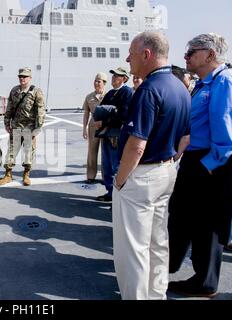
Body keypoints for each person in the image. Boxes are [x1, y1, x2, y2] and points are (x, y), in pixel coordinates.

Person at [112, 31, 191, 300]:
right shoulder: (180, 86)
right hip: (167, 171)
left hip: (141, 176)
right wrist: (170, 162)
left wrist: (120, 180)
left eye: (132, 54)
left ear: (146, 54)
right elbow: (186, 137)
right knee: (158, 242)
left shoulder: (148, 89)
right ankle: (156, 294)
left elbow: (136, 145)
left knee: (132, 248)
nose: (128, 59)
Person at [167, 33, 232, 298]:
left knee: (207, 225)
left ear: (210, 54)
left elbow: (225, 133)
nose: (186, 57)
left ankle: (205, 282)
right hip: (197, 159)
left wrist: (207, 166)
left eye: (191, 52)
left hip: (211, 163)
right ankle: (171, 264)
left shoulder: (223, 82)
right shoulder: (204, 83)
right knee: (183, 216)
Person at [0, 67, 45, 186]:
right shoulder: (14, 90)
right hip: (16, 127)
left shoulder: (36, 91)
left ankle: (26, 175)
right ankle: (8, 175)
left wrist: (38, 127)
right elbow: (9, 108)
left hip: (30, 128)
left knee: (29, 152)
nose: (22, 79)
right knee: (12, 151)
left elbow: (41, 109)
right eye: (20, 76)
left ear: (30, 78)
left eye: (25, 76)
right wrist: (6, 123)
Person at [94, 67, 133, 202]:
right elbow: (101, 109)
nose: (114, 78)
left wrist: (106, 118)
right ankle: (110, 193)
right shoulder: (110, 93)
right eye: (113, 76)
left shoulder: (127, 93)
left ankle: (119, 197)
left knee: (116, 165)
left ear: (124, 79)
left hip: (117, 134)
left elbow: (124, 114)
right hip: (106, 133)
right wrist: (100, 120)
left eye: (117, 76)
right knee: (107, 165)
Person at [82, 72, 107, 184]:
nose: (96, 83)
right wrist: (84, 128)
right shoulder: (89, 97)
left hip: (106, 124)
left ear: (104, 83)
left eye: (99, 81)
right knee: (92, 150)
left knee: (106, 151)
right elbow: (86, 113)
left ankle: (105, 177)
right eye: (95, 81)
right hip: (93, 124)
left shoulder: (109, 95)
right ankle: (91, 176)